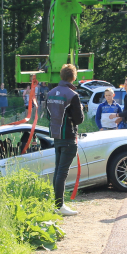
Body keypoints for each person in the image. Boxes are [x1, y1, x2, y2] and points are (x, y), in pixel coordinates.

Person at [46, 64, 84, 216]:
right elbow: (79, 119)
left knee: (58, 170)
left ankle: (57, 204)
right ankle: (59, 206)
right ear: (73, 77)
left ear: (61, 76)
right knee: (62, 172)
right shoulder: (72, 95)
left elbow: (48, 115)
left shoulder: (50, 93)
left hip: (56, 136)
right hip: (68, 137)